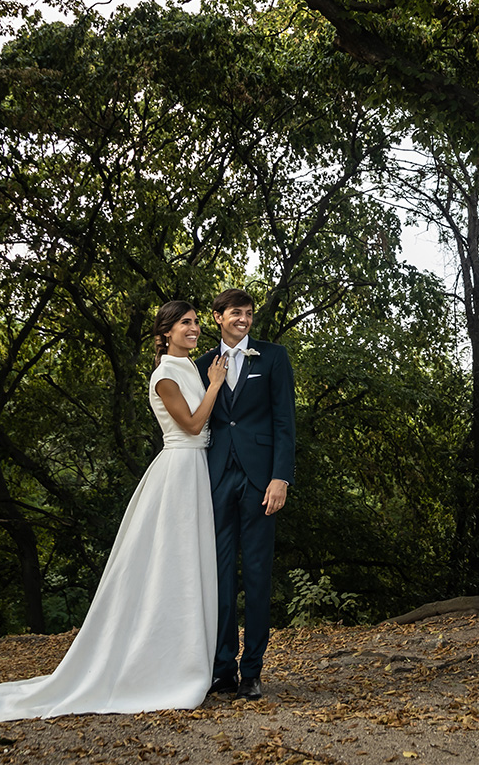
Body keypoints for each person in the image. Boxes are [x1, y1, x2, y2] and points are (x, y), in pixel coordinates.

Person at [0, 301, 226, 722]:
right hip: (179, 470)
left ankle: (186, 658)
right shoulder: (165, 375)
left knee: (188, 566)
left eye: (195, 322)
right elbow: (190, 425)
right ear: (165, 332)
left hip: (197, 471)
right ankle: (162, 668)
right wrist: (216, 385)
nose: (194, 328)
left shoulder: (190, 367)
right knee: (171, 563)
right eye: (185, 323)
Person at [195, 289, 295, 701]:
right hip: (215, 478)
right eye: (236, 313)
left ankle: (252, 670)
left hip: (260, 482)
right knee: (217, 579)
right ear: (217, 317)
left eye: (249, 314)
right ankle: (222, 671)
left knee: (256, 576)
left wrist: (280, 478)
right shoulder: (200, 365)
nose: (244, 319)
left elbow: (285, 422)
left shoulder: (272, 357)